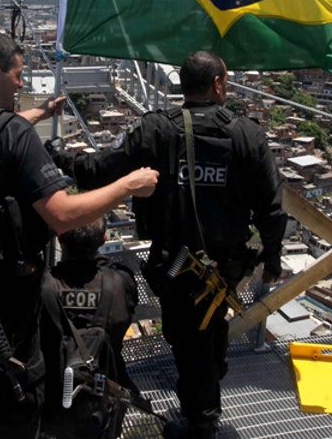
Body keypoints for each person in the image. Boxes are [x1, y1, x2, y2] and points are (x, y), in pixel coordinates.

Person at [0, 31, 158, 439]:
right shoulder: (12, 133)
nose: (22, 84)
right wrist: (128, 186)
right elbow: (62, 215)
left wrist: (41, 113)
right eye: (17, 75)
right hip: (6, 292)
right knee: (17, 390)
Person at [51, 51, 287, 439]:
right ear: (218, 84)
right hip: (225, 268)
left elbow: (97, 170)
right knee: (207, 335)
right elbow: (271, 210)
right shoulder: (247, 134)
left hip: (175, 266)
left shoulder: (155, 130)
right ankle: (204, 405)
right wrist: (273, 261)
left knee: (189, 341)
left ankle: (201, 420)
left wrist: (53, 156)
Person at [40, 218, 140, 438]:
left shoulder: (43, 287)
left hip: (54, 397)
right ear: (104, 239)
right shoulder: (121, 282)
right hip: (106, 394)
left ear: (59, 238)